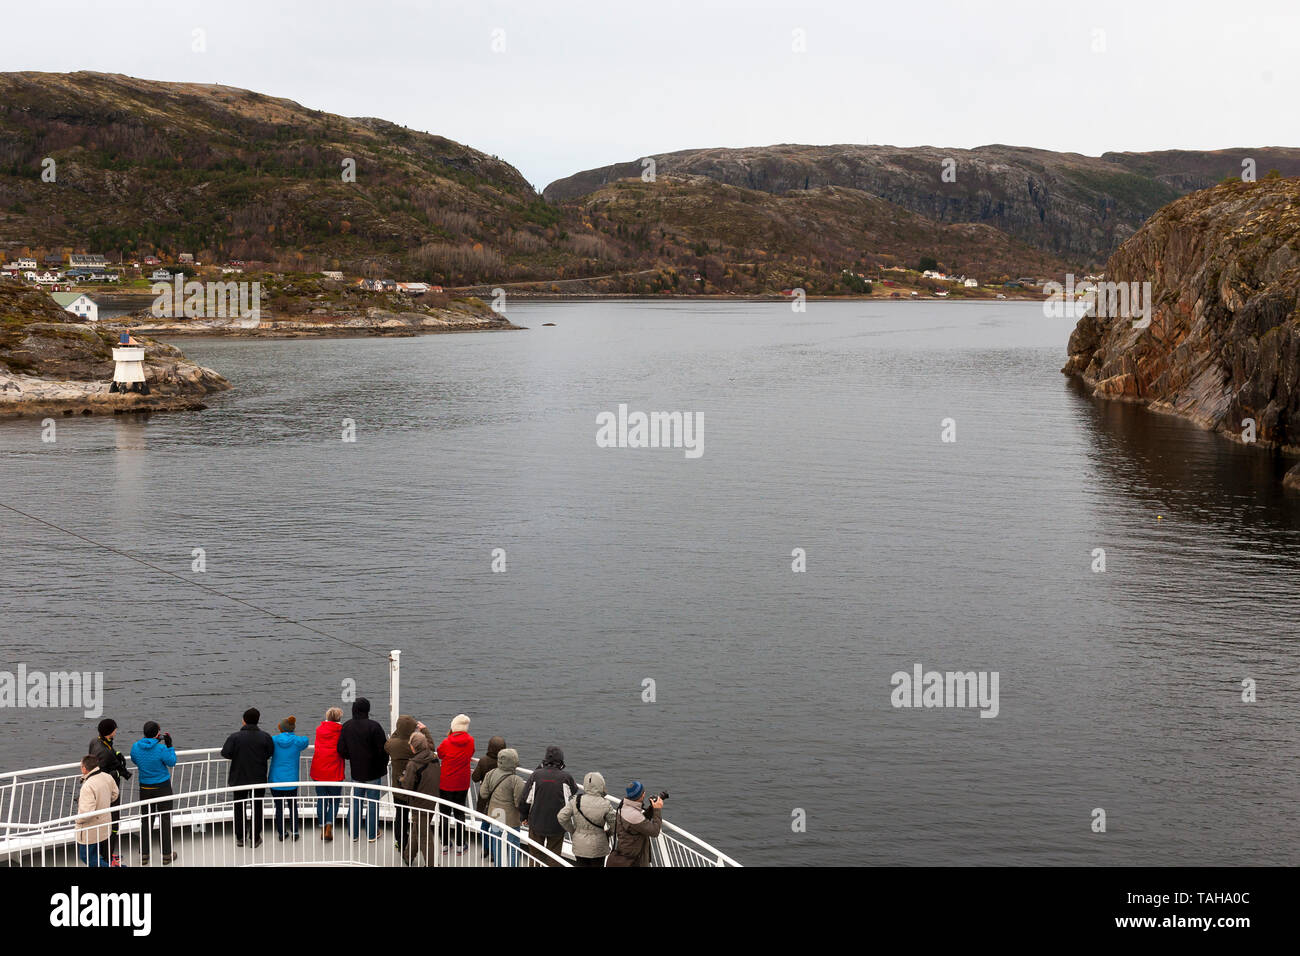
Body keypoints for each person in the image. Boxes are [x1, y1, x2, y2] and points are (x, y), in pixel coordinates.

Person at [220, 707, 275, 848]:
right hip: (258, 778)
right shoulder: (266, 737)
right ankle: (255, 837)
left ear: (243, 721)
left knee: (239, 807)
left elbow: (225, 753)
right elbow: (270, 753)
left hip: (239, 778)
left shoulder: (235, 737)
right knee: (257, 807)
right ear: (258, 721)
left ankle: (240, 837)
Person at [337, 697, 387, 842]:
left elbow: (341, 750)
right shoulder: (374, 726)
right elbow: (382, 750)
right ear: (368, 709)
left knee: (355, 803)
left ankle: (353, 834)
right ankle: (372, 835)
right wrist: (380, 764)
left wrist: (352, 756)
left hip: (356, 772)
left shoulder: (347, 726)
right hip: (374, 772)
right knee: (372, 803)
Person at [518, 745, 577, 866]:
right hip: (557, 825)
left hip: (536, 823)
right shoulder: (566, 777)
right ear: (561, 760)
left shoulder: (536, 775)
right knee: (554, 857)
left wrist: (523, 816)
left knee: (534, 855)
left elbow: (524, 799)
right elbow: (573, 791)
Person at [129, 721, 178, 865]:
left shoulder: (135, 747)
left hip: (145, 787)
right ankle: (167, 855)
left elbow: (135, 759)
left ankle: (144, 855)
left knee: (146, 820)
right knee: (165, 819)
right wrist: (169, 746)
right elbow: (172, 762)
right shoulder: (161, 748)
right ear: (158, 733)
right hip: (162, 787)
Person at [88, 718, 131, 864]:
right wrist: (118, 773)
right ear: (110, 732)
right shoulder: (106, 753)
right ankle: (108, 858)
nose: (116, 731)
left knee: (102, 824)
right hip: (109, 794)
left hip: (99, 792)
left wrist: (115, 752)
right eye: (114, 729)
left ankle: (104, 855)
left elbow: (104, 756)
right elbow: (107, 769)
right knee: (112, 825)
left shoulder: (95, 742)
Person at [398, 731, 441, 866]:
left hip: (419, 804)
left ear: (413, 747)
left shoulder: (414, 764)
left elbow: (407, 786)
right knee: (418, 829)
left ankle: (431, 864)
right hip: (432, 800)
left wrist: (401, 779)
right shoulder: (433, 757)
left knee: (424, 836)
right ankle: (408, 856)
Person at [558, 771, 617, 867]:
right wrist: (608, 833)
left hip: (580, 844)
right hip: (599, 846)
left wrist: (573, 831)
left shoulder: (576, 800)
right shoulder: (605, 804)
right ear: (601, 785)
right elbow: (615, 825)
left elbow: (561, 817)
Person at [385, 715, 425, 855]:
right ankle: (415, 846)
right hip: (415, 788)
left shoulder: (392, 744)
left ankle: (401, 842)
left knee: (400, 816)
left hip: (399, 788)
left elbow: (388, 743)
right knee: (417, 818)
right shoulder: (415, 745)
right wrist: (423, 731)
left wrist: (398, 732)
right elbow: (429, 748)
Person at [479, 748, 526, 867]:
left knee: (497, 842)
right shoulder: (516, 780)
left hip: (496, 814)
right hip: (511, 819)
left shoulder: (490, 774)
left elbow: (483, 794)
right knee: (514, 844)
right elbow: (518, 803)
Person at [435, 714, 475, 855]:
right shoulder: (470, 741)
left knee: (444, 814)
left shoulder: (446, 742)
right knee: (459, 813)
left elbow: (439, 754)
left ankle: (445, 844)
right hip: (462, 783)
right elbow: (470, 754)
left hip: (446, 782)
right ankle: (460, 845)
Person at [605, 781, 663, 868]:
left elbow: (636, 824)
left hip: (624, 854)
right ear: (642, 795)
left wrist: (651, 809)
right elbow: (654, 831)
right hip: (635, 860)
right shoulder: (634, 816)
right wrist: (657, 810)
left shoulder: (623, 806)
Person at [269, 716, 309, 841]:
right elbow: (306, 740)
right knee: (293, 806)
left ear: (280, 728)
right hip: (291, 780)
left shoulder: (274, 740)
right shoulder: (297, 741)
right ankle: (295, 832)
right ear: (292, 729)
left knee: (279, 807)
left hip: (275, 780)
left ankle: (281, 833)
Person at [76, 754, 118, 868]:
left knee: (87, 856)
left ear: (84, 768)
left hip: (90, 829)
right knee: (95, 853)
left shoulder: (88, 786)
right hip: (104, 823)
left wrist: (77, 821)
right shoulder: (107, 777)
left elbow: (86, 813)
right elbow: (115, 794)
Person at [310, 707, 345, 842]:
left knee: (321, 799)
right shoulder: (341, 731)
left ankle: (322, 826)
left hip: (319, 769)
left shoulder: (319, 729)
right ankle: (329, 825)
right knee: (335, 800)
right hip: (334, 770)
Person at [471, 734, 507, 858]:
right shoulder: (505, 763)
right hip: (501, 800)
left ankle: (486, 849)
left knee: (485, 826)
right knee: (496, 828)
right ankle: (494, 852)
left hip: (485, 800)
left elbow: (475, 778)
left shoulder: (484, 761)